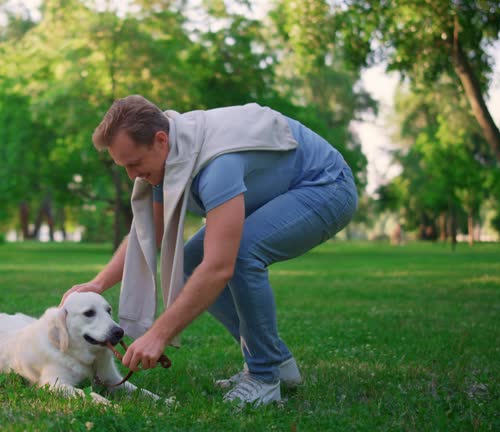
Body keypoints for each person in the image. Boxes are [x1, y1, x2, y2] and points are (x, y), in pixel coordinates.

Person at [61, 95, 358, 407]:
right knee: (191, 261)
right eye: (124, 166)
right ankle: (278, 364)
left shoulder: (218, 165)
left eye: (134, 163)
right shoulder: (168, 158)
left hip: (326, 186)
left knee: (242, 254)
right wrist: (98, 284)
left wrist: (159, 334)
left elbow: (219, 267)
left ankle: (264, 377)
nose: (132, 176)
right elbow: (148, 234)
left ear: (160, 140)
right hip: (280, 192)